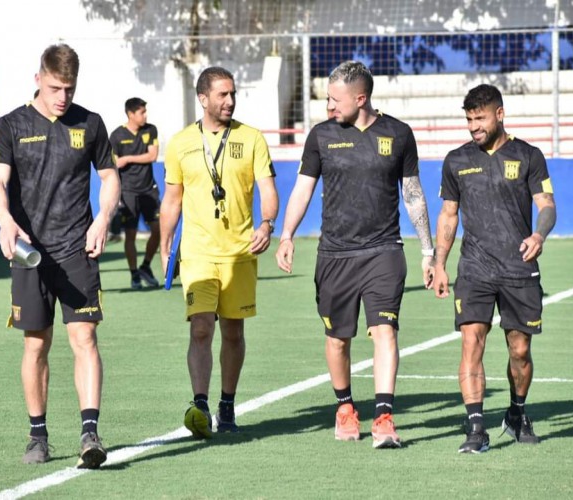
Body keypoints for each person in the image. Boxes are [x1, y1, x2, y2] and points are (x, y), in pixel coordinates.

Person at [275, 61, 434, 449]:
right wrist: (287, 234)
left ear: (360, 98)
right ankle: (345, 407)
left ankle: (383, 417)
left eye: (335, 99)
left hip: (383, 251)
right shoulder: (321, 136)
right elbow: (303, 188)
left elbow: (413, 195)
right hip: (335, 254)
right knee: (337, 339)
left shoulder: (398, 134)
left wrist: (428, 251)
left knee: (385, 330)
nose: (328, 106)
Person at [0, 44, 120, 468]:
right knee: (36, 344)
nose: (63, 96)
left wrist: (102, 219)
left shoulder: (91, 123)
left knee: (85, 338)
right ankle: (38, 436)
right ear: (38, 79)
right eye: (55, 87)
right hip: (30, 252)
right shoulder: (10, 125)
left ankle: (90, 434)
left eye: (69, 87)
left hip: (77, 248)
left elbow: (110, 177)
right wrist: (5, 221)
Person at [432, 84, 557, 454]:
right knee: (471, 342)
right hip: (474, 268)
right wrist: (439, 263)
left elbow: (547, 204)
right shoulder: (456, 160)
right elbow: (448, 215)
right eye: (469, 120)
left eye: (480, 118)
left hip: (519, 269)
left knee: (519, 350)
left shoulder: (529, 155)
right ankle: (475, 428)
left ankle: (516, 413)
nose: (474, 127)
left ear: (499, 114)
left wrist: (539, 233)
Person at [160, 66, 279, 438]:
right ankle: (201, 402)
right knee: (200, 327)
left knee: (233, 331)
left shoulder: (253, 138)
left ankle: (227, 403)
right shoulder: (180, 142)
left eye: (232, 94)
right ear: (203, 98)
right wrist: (166, 248)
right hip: (196, 253)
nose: (230, 101)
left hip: (239, 253)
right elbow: (172, 200)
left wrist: (267, 224)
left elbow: (269, 190)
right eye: (222, 95)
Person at [109, 97, 161, 289]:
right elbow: (113, 163)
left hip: (149, 189)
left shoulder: (151, 129)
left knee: (158, 230)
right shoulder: (116, 136)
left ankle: (146, 266)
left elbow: (153, 155)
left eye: (145, 111)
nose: (145, 115)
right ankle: (134, 275)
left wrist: (128, 158)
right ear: (131, 114)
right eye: (142, 112)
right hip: (128, 192)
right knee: (130, 235)